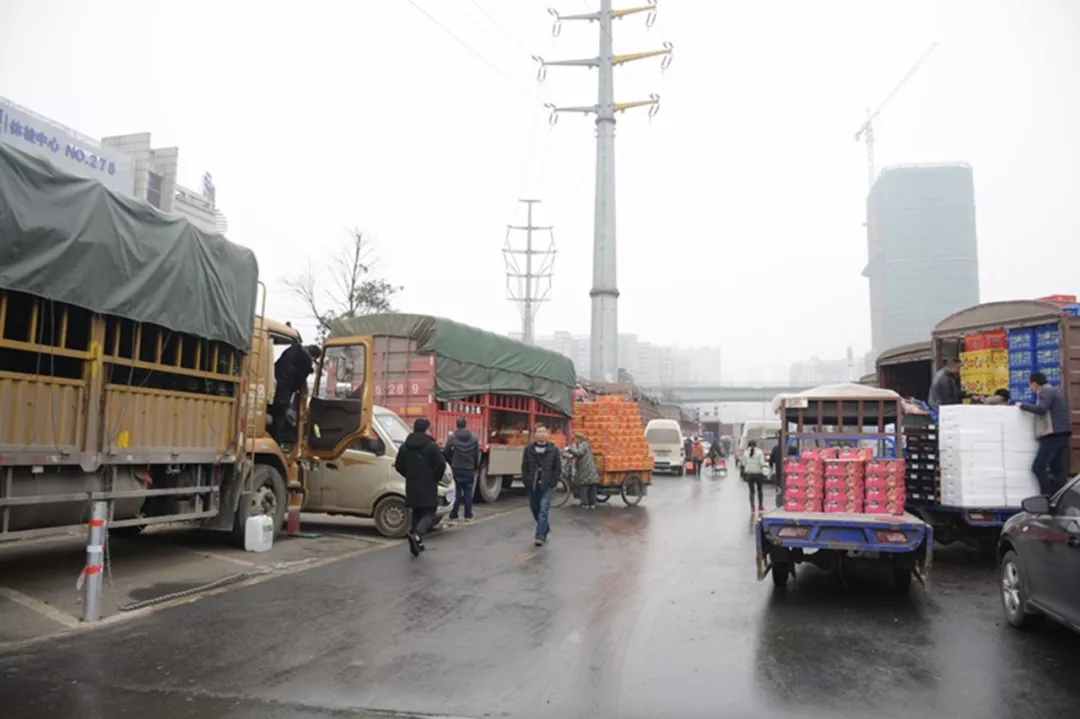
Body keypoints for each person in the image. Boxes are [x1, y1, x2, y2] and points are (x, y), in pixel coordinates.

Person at [394, 417, 447, 557]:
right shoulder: (431, 446)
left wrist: (408, 475)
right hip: (428, 484)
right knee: (429, 512)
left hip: (411, 484)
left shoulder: (405, 446)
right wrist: (436, 477)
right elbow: (441, 464)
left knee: (417, 512)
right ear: (426, 429)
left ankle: (416, 544)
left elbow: (398, 465)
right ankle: (417, 535)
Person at [1016, 372, 1072, 496]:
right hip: (1062, 433)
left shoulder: (1045, 391)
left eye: (1030, 385)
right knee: (1058, 469)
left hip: (1052, 434)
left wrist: (1023, 405)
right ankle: (1060, 496)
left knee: (1038, 467)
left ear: (1034, 384)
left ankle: (1047, 494)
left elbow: (1042, 408)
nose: (1030, 388)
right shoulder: (1055, 391)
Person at [271, 342, 321, 445]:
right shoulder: (306, 360)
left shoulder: (293, 348)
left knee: (274, 413)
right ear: (314, 356)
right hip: (283, 391)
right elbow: (299, 383)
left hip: (273, 384)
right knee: (280, 417)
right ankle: (279, 443)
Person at [522, 424, 562, 547]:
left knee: (544, 509)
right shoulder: (529, 449)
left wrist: (553, 482)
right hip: (533, 485)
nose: (542, 434)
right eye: (539, 431)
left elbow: (557, 468)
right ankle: (545, 528)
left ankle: (539, 536)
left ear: (547, 434)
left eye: (544, 431)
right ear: (535, 434)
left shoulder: (553, 450)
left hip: (547, 485)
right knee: (535, 509)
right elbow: (524, 467)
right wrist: (526, 481)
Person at [444, 417, 480, 523]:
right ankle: (468, 515)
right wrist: (475, 466)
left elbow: (446, 451)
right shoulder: (473, 438)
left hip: (456, 467)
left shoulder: (453, 437)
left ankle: (454, 513)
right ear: (466, 424)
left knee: (456, 492)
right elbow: (476, 455)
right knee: (468, 492)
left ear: (457, 425)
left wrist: (451, 461)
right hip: (469, 468)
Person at [566, 431, 600, 508]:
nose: (575, 441)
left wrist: (570, 449)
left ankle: (585, 503)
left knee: (584, 486)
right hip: (590, 468)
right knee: (592, 486)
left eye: (575, 439)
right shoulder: (586, 445)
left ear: (579, 439)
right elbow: (578, 454)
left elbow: (579, 453)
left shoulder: (582, 445)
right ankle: (592, 503)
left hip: (586, 469)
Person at [743, 439, 767, 514]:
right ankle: (760, 506)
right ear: (755, 445)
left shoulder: (745, 453)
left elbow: (744, 463)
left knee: (751, 491)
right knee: (760, 490)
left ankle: (752, 507)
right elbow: (762, 463)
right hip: (758, 473)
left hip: (749, 474)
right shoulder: (760, 452)